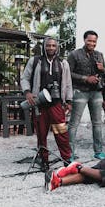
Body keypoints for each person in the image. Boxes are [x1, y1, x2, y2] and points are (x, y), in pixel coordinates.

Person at [20, 37, 73, 168]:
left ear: (57, 47)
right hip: (39, 102)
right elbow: (25, 78)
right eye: (48, 45)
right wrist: (27, 92)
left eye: (53, 45)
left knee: (61, 131)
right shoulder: (35, 61)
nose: (50, 48)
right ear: (44, 46)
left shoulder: (63, 63)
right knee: (41, 133)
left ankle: (67, 159)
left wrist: (69, 100)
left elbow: (68, 84)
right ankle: (44, 160)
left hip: (56, 103)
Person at [67, 30, 105, 160]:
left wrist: (103, 69)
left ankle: (98, 151)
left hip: (96, 92)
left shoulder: (99, 55)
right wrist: (85, 78)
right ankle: (69, 153)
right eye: (89, 40)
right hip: (80, 91)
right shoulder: (74, 54)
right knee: (74, 124)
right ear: (84, 40)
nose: (92, 43)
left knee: (97, 123)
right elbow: (68, 73)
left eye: (94, 41)